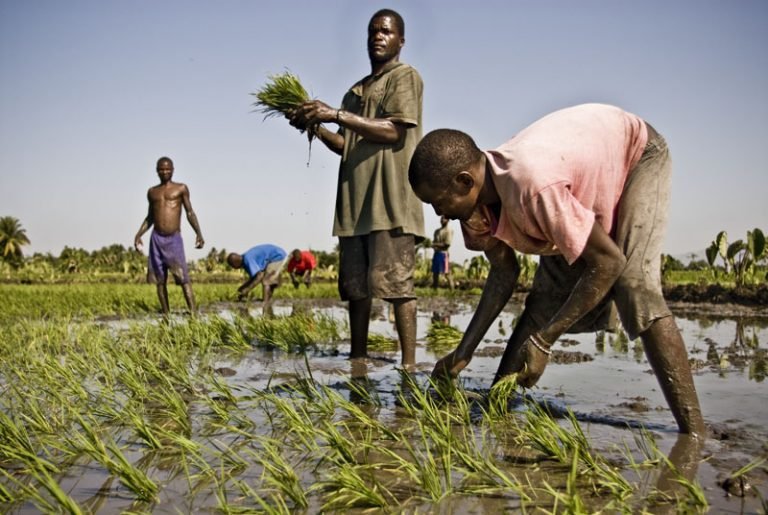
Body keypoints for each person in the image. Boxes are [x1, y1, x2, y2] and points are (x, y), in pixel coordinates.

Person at [408, 103, 705, 435]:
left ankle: (694, 433)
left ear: (465, 182)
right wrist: (463, 353)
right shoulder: (474, 211)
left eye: (438, 202)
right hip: (574, 188)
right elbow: (504, 276)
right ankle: (498, 404)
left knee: (634, 286)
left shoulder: (533, 187)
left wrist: (545, 340)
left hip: (636, 153)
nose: (438, 213)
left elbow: (608, 262)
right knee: (543, 299)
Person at [288, 9, 425, 366]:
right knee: (356, 290)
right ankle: (358, 359)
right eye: (373, 31)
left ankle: (409, 365)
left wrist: (334, 114)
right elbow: (345, 144)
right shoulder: (355, 92)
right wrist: (314, 126)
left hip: (390, 201)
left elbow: (394, 130)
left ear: (400, 41)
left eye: (386, 31)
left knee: (397, 287)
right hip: (354, 206)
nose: (378, 36)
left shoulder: (404, 77)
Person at [134, 156, 204, 315]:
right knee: (160, 280)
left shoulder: (181, 188)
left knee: (183, 278)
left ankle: (193, 314)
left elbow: (190, 212)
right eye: (161, 169)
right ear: (156, 171)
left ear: (172, 170)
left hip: (173, 239)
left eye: (167, 169)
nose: (164, 172)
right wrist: (139, 234)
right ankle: (166, 314)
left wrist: (198, 233)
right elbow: (150, 217)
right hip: (156, 239)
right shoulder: (152, 192)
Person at [431, 215, 454, 289]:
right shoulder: (437, 231)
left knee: (447, 272)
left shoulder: (449, 231)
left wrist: (435, 244)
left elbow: (447, 244)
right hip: (437, 253)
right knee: (435, 272)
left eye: (444, 219)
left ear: (448, 220)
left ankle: (452, 289)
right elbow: (434, 242)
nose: (442, 220)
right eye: (441, 219)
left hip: (444, 254)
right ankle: (435, 288)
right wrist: (434, 245)